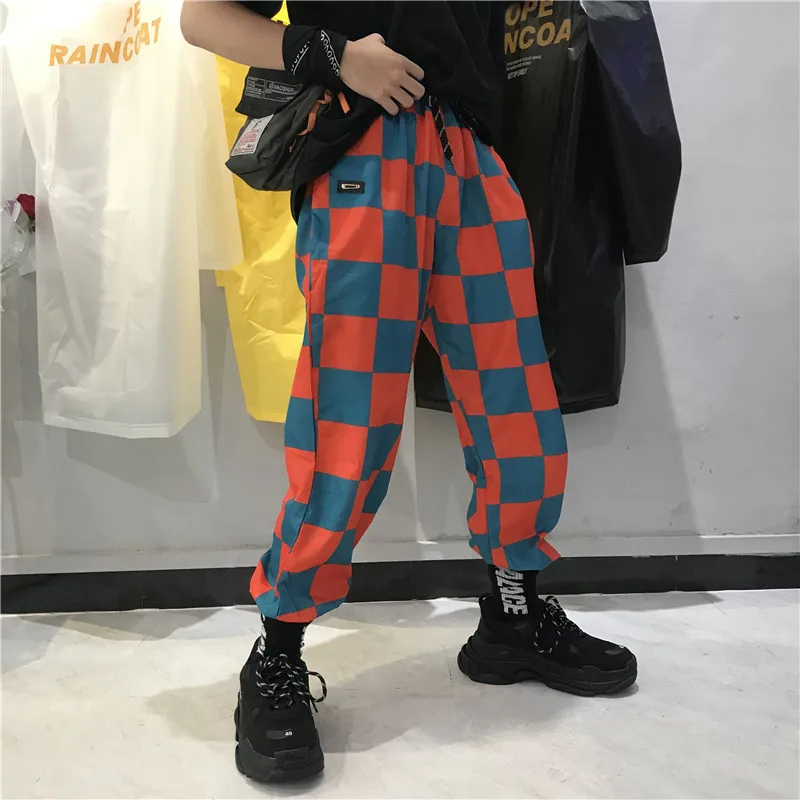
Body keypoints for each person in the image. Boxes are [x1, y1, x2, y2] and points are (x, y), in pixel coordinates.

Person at [181, 0, 637, 784]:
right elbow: (203, 18)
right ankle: (279, 650)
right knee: (346, 425)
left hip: (472, 156)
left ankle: (514, 616)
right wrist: (334, 55)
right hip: (365, 152)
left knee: (518, 409)